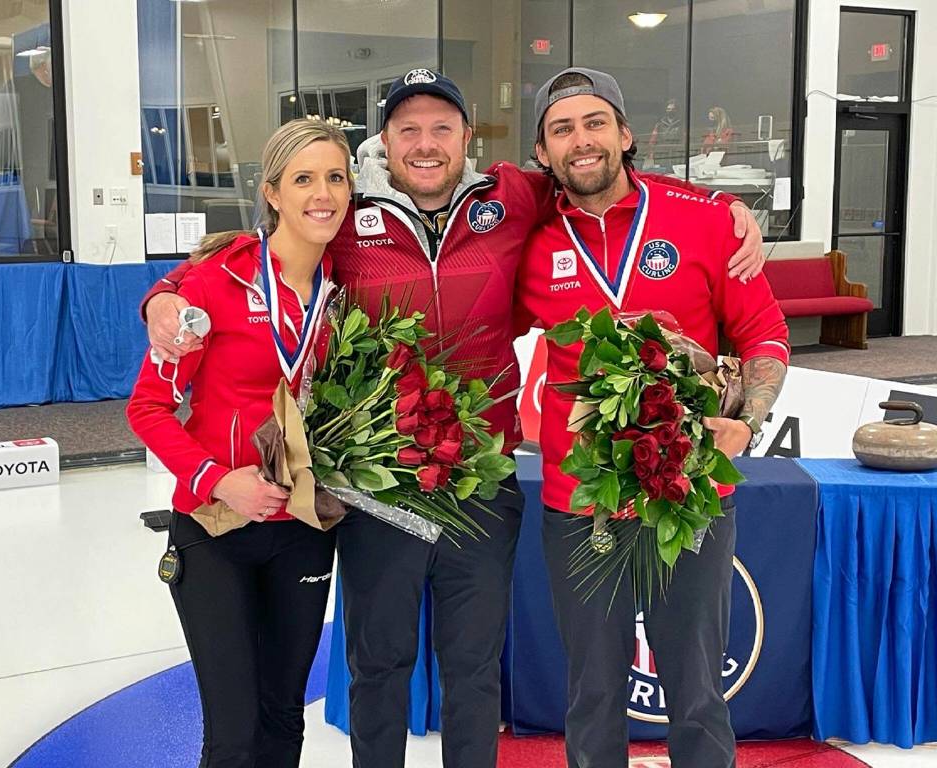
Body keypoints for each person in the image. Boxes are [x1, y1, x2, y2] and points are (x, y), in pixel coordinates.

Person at [142, 69, 766, 768]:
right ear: (384, 141)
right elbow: (258, 248)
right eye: (407, 128)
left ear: (469, 136)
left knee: (474, 672)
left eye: (442, 126)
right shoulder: (348, 217)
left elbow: (598, 172)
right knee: (378, 668)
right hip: (382, 491)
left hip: (482, 486)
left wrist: (724, 206)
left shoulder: (515, 197)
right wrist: (164, 292)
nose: (426, 143)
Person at [514, 67, 789, 768]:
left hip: (690, 494)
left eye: (596, 122)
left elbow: (763, 332)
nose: (582, 141)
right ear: (543, 153)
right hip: (580, 504)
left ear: (626, 134)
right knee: (594, 691)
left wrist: (747, 421)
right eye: (562, 129)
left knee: (697, 690)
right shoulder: (530, 241)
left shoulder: (701, 218)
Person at [126, 118, 353, 768]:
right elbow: (147, 407)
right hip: (215, 529)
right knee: (234, 734)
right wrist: (218, 478)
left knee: (284, 722)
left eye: (335, 177)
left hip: (307, 528)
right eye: (304, 177)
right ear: (273, 192)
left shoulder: (347, 284)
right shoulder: (212, 283)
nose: (323, 192)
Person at [646, 98, 682, 166]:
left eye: (673, 109)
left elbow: (684, 139)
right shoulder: (660, 124)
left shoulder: (681, 124)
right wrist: (651, 153)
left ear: (676, 110)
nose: (670, 111)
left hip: (676, 153)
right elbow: (653, 139)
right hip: (662, 153)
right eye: (668, 109)